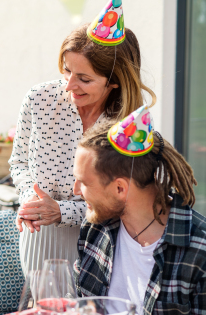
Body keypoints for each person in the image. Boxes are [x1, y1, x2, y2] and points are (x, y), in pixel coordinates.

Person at [9, 0, 156, 275]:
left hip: (102, 241)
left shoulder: (128, 126)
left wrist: (62, 212)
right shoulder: (39, 99)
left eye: (84, 79)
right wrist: (33, 200)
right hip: (38, 235)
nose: (69, 85)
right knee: (43, 310)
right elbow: (18, 164)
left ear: (114, 81)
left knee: (91, 314)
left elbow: (124, 199)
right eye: (66, 70)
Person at [72, 106, 206, 315]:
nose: (76, 190)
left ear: (119, 188)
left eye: (84, 182)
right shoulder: (96, 229)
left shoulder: (199, 250)